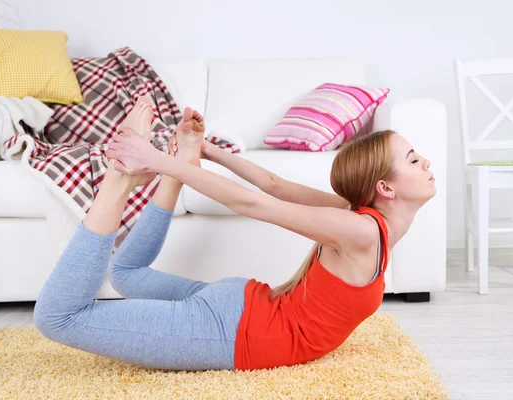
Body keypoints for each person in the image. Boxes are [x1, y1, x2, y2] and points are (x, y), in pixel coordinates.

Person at [34, 96, 436, 372]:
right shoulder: (361, 228)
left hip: (238, 306)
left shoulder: (358, 222)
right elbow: (261, 197)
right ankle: (118, 181)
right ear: (384, 188)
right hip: (235, 330)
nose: (426, 162)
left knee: (125, 273)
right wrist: (182, 155)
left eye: (416, 156)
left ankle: (166, 169)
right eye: (415, 159)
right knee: (57, 318)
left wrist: (190, 156)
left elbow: (272, 187)